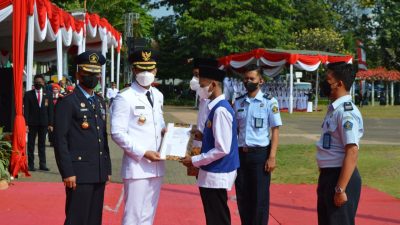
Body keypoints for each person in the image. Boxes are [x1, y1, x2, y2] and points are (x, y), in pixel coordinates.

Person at [53, 51, 112, 225]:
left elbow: (102, 136)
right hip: (78, 172)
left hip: (98, 170)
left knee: (94, 219)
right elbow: (60, 140)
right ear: (78, 74)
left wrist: (106, 168)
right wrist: (68, 172)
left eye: (96, 74)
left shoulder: (99, 101)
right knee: (77, 218)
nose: (93, 77)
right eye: (88, 73)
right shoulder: (68, 102)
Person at [111, 48, 166, 225]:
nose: (146, 74)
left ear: (156, 70)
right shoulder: (124, 97)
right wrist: (143, 152)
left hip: (157, 165)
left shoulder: (158, 95)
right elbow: (117, 133)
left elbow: (159, 124)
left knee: (148, 215)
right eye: (141, 69)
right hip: (137, 167)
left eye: (149, 69)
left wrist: (168, 133)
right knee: (133, 216)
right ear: (134, 70)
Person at [181, 65, 239, 225]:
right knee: (214, 215)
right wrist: (202, 134)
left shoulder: (220, 110)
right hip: (213, 172)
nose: (199, 89)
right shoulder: (216, 108)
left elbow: (222, 148)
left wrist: (194, 160)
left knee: (217, 218)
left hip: (217, 172)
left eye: (202, 85)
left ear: (213, 85)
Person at [233, 64, 282, 225]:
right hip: (241, 155)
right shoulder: (238, 102)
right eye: (246, 78)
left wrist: (272, 157)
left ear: (260, 80)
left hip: (259, 155)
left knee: (259, 198)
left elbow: (275, 130)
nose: (248, 81)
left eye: (251, 78)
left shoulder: (270, 102)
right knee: (243, 196)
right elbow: (234, 131)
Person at [316, 62, 364, 225]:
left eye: (328, 80)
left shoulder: (346, 112)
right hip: (329, 176)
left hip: (340, 178)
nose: (324, 83)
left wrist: (340, 188)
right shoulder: (334, 109)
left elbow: (352, 151)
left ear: (340, 83)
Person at [23, 74, 54, 171]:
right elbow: (26, 110)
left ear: (43, 83)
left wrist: (51, 124)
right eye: (36, 82)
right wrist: (26, 124)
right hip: (32, 123)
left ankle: (42, 164)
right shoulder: (28, 94)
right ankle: (31, 165)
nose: (38, 84)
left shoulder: (48, 94)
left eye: (40, 82)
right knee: (31, 144)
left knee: (42, 144)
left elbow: (51, 110)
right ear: (34, 83)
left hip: (44, 123)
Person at [189, 58, 219, 147]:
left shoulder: (218, 106)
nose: (195, 79)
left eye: (197, 75)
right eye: (194, 75)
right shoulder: (203, 97)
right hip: (199, 146)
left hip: (209, 149)